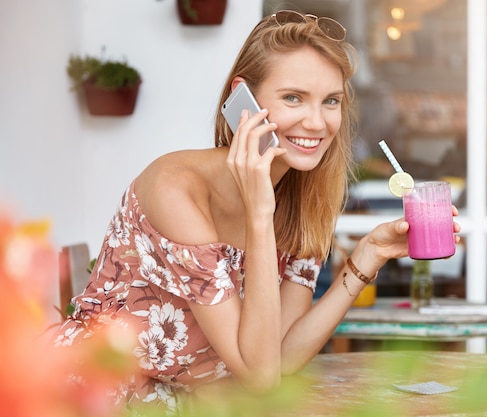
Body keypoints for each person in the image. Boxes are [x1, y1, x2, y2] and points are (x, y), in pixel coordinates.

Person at [52, 10, 461, 415]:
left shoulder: (303, 200)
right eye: (293, 98)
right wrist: (259, 214)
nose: (316, 122)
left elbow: (278, 358)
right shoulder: (175, 188)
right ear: (242, 98)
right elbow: (260, 377)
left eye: (331, 101)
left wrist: (368, 256)